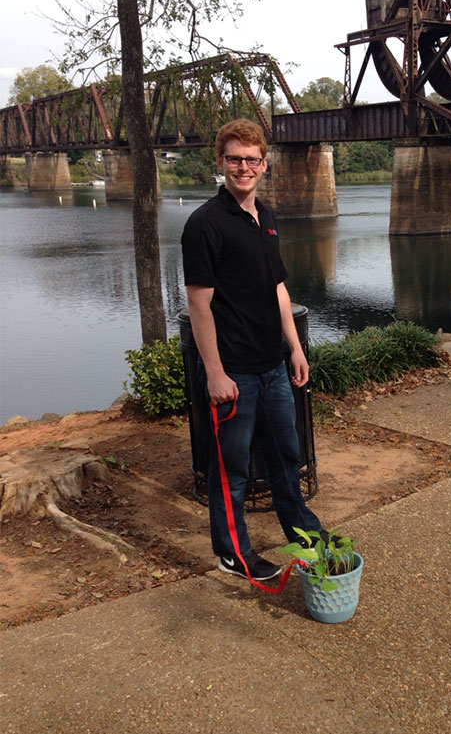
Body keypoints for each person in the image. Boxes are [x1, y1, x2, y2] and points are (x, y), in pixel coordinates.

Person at [181, 118, 326, 581]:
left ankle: (305, 534)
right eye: (234, 159)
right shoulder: (205, 224)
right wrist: (215, 373)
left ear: (264, 165)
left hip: (273, 367)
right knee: (232, 469)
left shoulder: (267, 217)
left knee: (286, 456)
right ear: (220, 163)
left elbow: (278, 285)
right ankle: (233, 552)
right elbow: (199, 307)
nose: (244, 167)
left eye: (252, 160)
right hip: (235, 373)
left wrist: (295, 346)